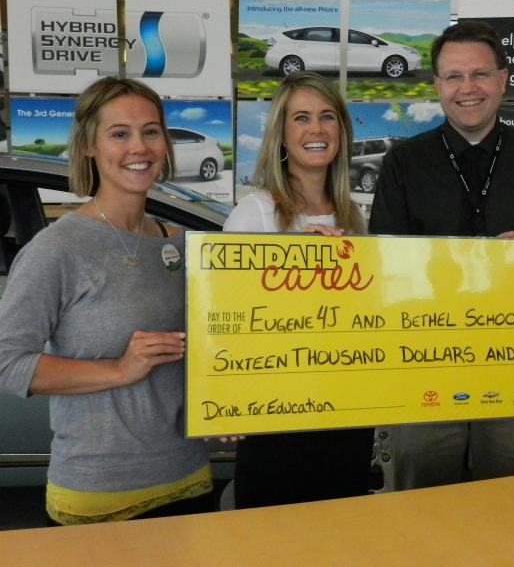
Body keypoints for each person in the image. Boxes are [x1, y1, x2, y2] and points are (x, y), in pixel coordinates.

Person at [368, 21, 514, 491]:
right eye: (454, 77)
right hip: (423, 368)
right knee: (422, 505)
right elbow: (384, 270)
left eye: (480, 74)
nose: (468, 88)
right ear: (438, 86)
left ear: (503, 80)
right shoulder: (403, 164)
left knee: (509, 502)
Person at [0, 77, 212, 525]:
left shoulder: (186, 246)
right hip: (100, 496)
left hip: (190, 479)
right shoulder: (57, 249)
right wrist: (118, 369)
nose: (140, 146)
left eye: (151, 131)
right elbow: (8, 363)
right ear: (90, 146)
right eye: (120, 134)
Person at [224, 71, 374, 507]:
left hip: (345, 411)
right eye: (302, 118)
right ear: (281, 135)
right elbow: (222, 315)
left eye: (328, 117)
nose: (316, 130)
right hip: (276, 415)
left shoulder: (355, 217)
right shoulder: (255, 214)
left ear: (342, 132)